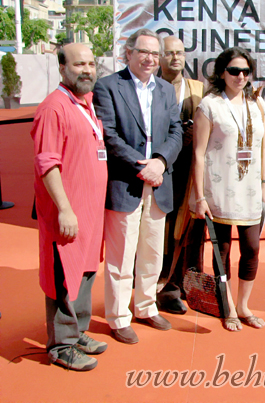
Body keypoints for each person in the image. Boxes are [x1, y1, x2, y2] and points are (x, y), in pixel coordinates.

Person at [94, 29, 182, 344]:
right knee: (121, 255)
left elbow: (176, 132)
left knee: (151, 252)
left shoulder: (166, 90)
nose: (150, 59)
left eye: (155, 54)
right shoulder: (107, 87)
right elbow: (109, 136)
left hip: (159, 182)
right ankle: (118, 316)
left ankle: (146, 306)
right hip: (126, 184)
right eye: (143, 52)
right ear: (128, 53)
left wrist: (160, 162)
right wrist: (142, 168)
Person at [31, 43, 108, 371]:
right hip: (67, 214)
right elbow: (46, 163)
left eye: (91, 64)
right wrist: (64, 208)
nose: (87, 70)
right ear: (62, 68)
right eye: (79, 65)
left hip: (90, 214)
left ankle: (78, 333)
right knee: (64, 276)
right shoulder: (54, 108)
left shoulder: (86, 104)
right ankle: (61, 345)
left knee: (85, 274)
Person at [193, 46, 265, 332]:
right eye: (234, 71)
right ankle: (227, 309)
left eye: (245, 71)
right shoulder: (209, 105)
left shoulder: (257, 105)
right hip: (219, 189)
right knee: (221, 252)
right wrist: (199, 196)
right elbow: (198, 154)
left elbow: (262, 147)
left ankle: (244, 306)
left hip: (250, 190)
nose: (240, 76)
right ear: (222, 72)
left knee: (251, 248)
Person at [156, 35, 205, 315]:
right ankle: (162, 289)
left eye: (180, 53)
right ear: (160, 57)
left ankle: (188, 285)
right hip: (159, 173)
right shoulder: (151, 89)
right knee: (161, 234)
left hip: (190, 174)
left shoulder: (197, 88)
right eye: (170, 53)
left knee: (191, 233)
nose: (176, 58)